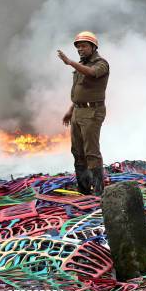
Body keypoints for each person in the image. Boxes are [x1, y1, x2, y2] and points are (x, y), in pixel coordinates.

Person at [57, 31, 109, 196]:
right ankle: (84, 189)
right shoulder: (81, 65)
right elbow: (79, 92)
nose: (80, 49)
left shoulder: (101, 64)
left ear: (93, 47)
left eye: (84, 45)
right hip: (78, 111)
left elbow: (92, 73)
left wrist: (70, 62)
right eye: (78, 46)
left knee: (91, 152)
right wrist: (70, 110)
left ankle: (99, 192)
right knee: (77, 151)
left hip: (92, 112)